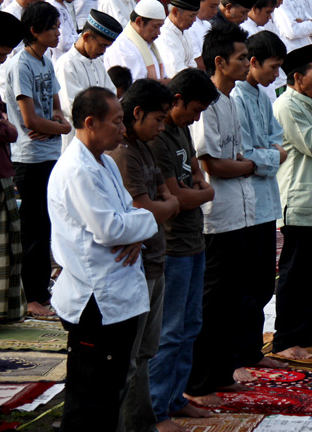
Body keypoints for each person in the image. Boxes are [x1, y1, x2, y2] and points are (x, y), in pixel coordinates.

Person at [48, 86, 158, 431]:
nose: (123, 129)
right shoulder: (78, 170)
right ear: (91, 122)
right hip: (94, 298)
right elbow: (111, 229)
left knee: (110, 390)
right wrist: (142, 224)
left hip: (117, 291)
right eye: (116, 122)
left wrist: (139, 228)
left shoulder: (105, 162)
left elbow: (132, 213)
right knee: (89, 396)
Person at [187, 23, 256, 404]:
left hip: (240, 211)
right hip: (217, 217)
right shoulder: (208, 104)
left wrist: (244, 164)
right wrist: (248, 167)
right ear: (219, 61)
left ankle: (222, 371)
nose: (247, 64)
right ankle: (199, 380)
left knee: (233, 297)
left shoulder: (231, 100)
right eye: (242, 58)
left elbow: (238, 155)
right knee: (212, 302)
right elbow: (212, 162)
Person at [147, 68, 217, 429]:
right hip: (173, 245)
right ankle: (157, 408)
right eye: (193, 110)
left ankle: (176, 397)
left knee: (191, 324)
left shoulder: (183, 129)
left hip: (194, 239)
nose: (196, 118)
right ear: (176, 101)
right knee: (170, 330)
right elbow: (177, 195)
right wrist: (202, 192)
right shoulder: (158, 137)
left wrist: (199, 190)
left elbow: (196, 175)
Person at [109, 79, 180, 432]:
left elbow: (168, 199)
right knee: (133, 358)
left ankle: (143, 420)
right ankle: (134, 424)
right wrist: (165, 205)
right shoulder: (124, 153)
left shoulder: (146, 147)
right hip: (137, 267)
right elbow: (146, 208)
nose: (162, 126)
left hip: (154, 258)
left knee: (145, 353)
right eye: (158, 119)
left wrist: (164, 205)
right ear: (136, 113)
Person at [0, 1, 71, 317]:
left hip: (49, 152)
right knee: (32, 230)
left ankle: (41, 289)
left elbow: (58, 111)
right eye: (53, 27)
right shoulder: (21, 65)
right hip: (28, 158)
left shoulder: (46, 62)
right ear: (34, 31)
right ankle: (31, 296)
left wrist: (57, 126)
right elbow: (31, 121)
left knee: (46, 225)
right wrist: (56, 125)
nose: (59, 32)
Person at [272, 43, 312, 360]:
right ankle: (286, 339)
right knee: (296, 274)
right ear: (298, 78)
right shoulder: (288, 105)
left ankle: (308, 332)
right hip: (300, 199)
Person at [229, 30, 291, 371]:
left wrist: (267, 156)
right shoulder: (235, 98)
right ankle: (239, 355)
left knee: (264, 282)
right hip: (245, 204)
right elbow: (248, 153)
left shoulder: (262, 96)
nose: (276, 75)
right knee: (245, 285)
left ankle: (253, 350)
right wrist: (268, 157)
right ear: (253, 62)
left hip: (267, 200)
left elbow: (278, 143)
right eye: (273, 67)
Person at [0, 13, 27, 323]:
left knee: (6, 242)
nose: (2, 61)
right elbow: (6, 127)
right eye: (1, 54)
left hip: (1, 166)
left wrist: (6, 128)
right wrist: (7, 131)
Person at [55, 10, 120, 152]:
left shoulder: (97, 62)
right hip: (75, 142)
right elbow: (74, 108)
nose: (103, 51)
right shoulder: (67, 64)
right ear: (86, 36)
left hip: (98, 139)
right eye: (102, 45)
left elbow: (111, 95)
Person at [104, 0, 170, 84]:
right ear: (139, 22)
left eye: (160, 27)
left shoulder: (148, 44)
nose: (158, 32)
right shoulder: (122, 48)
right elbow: (134, 88)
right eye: (155, 27)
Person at [156, 0, 201, 76]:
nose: (194, 20)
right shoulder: (164, 36)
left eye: (196, 15)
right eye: (191, 16)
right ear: (175, 12)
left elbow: (192, 63)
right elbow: (176, 73)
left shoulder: (185, 31)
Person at [45, 0, 83, 64]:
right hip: (60, 61)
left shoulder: (63, 5)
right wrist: (82, 38)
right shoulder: (50, 7)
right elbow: (63, 43)